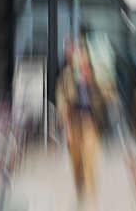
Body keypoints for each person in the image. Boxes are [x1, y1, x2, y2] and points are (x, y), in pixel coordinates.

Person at [56, 39, 104, 204]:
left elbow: (104, 95)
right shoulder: (66, 75)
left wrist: (90, 80)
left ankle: (92, 200)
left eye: (77, 52)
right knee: (76, 161)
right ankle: (80, 193)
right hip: (74, 121)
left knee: (90, 160)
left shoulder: (93, 73)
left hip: (89, 121)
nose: (75, 56)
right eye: (71, 52)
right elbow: (62, 101)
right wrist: (66, 128)